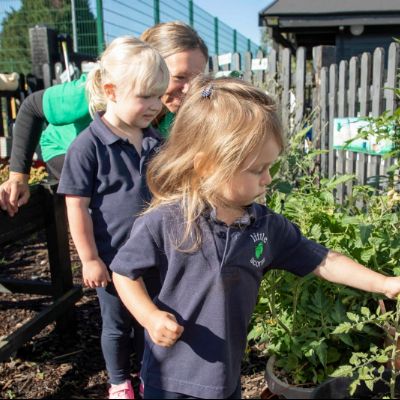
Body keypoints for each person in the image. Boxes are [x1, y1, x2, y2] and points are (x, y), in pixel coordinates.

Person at [110, 75, 400, 399]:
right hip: (170, 378)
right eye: (256, 169)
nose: (268, 178)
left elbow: (323, 260)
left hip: (225, 373)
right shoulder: (167, 219)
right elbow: (123, 272)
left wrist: (385, 283)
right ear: (207, 166)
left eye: (270, 166)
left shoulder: (265, 226)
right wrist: (149, 317)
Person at [57, 36, 169, 399]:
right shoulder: (87, 147)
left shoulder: (154, 142)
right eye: (146, 96)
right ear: (112, 91)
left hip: (153, 257)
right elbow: (76, 206)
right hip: (113, 261)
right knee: (117, 325)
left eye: (160, 95)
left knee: (147, 318)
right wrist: (89, 259)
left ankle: (144, 372)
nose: (156, 105)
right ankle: (119, 382)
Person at [0, 21, 208, 217]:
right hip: (67, 151)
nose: (189, 88)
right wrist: (18, 176)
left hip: (124, 157)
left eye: (196, 78)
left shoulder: (176, 111)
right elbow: (31, 107)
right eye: (179, 77)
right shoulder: (99, 90)